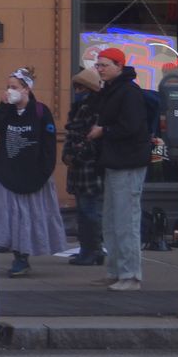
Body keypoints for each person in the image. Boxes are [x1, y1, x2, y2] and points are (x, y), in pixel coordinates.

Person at [0, 66, 65, 277]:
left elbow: (48, 145)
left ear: (26, 89)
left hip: (33, 173)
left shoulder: (40, 111)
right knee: (9, 215)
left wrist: (45, 171)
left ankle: (23, 256)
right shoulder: (6, 110)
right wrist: (2, 106)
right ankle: (14, 252)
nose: (10, 90)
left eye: (14, 87)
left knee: (28, 216)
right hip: (7, 171)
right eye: (8, 87)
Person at [87, 47, 148, 291]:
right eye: (98, 65)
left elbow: (131, 126)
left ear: (119, 66)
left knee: (126, 221)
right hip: (115, 161)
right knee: (112, 222)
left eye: (104, 65)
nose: (99, 69)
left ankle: (131, 275)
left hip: (128, 162)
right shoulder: (112, 90)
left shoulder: (129, 93)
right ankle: (115, 271)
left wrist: (103, 131)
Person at [60, 67, 106, 266]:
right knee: (84, 211)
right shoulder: (79, 108)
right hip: (80, 168)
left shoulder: (96, 109)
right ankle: (87, 249)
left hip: (89, 167)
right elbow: (72, 134)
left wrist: (76, 153)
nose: (77, 91)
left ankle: (93, 250)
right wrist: (69, 154)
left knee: (90, 211)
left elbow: (92, 139)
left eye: (81, 87)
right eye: (76, 87)